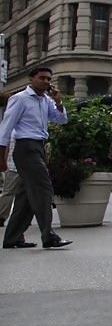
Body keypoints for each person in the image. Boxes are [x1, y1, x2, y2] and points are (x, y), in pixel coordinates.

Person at [0, 66, 72, 249]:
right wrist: (1, 157)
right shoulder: (20, 99)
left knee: (25, 196)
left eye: (49, 78)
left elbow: (61, 120)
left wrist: (59, 102)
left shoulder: (45, 101)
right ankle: (48, 235)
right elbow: (6, 128)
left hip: (39, 147)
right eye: (42, 78)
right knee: (44, 190)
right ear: (30, 79)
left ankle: (12, 237)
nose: (46, 82)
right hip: (25, 148)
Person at [0, 139, 20, 228]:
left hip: (14, 165)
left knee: (8, 192)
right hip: (13, 166)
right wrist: (3, 161)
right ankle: (1, 216)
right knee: (8, 192)